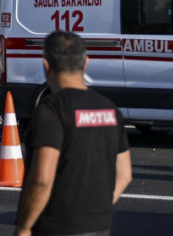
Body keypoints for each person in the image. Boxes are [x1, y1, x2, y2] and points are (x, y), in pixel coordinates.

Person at [16, 31, 132, 236]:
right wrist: (96, 209)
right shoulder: (110, 109)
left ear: (46, 66)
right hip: (101, 227)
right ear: (85, 63)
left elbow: (42, 179)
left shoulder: (51, 110)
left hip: (57, 228)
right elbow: (124, 174)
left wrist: (24, 228)